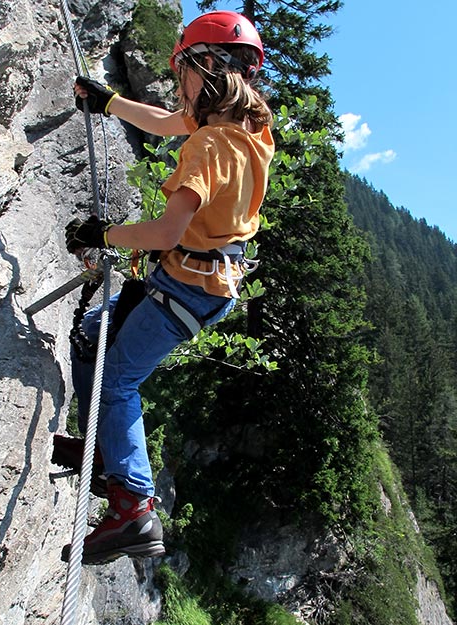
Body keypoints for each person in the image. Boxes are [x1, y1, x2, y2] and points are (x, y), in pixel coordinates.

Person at [61, 10, 275, 565]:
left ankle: (133, 509)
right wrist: (109, 103)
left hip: (184, 285)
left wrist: (101, 232)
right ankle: (105, 450)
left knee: (118, 381)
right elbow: (163, 121)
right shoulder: (248, 134)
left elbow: (165, 231)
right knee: (91, 339)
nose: (178, 81)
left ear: (206, 67)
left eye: (183, 68)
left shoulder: (208, 146)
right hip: (196, 283)